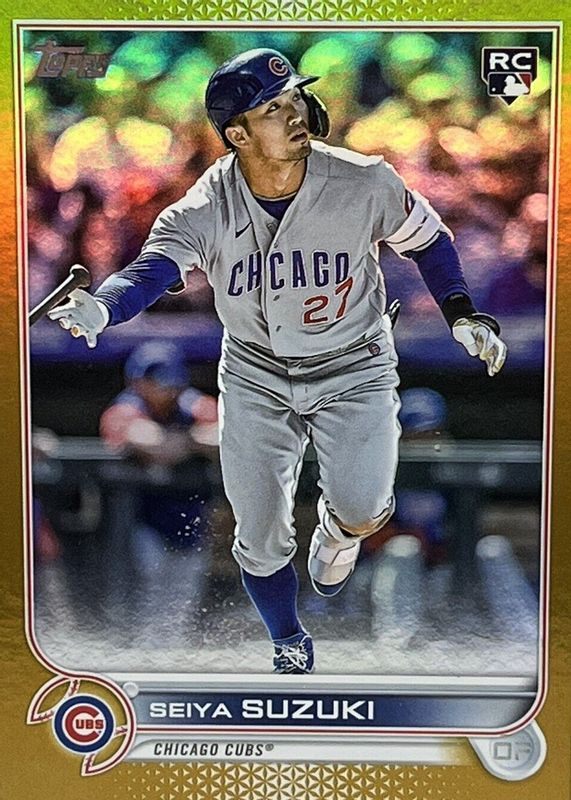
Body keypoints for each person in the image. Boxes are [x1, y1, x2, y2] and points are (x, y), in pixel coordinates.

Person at [48, 48, 507, 674]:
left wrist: (462, 313)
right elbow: (152, 269)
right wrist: (103, 307)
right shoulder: (207, 204)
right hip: (256, 372)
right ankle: (289, 639)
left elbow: (428, 240)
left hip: (354, 363)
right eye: (273, 108)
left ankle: (339, 532)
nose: (295, 114)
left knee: (365, 509)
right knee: (260, 533)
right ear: (238, 135)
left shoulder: (363, 180)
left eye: (294, 99)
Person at [99, 341, 218, 643]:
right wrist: (189, 443)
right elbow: (148, 441)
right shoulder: (126, 406)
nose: (164, 389)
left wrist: (185, 440)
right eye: (155, 381)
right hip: (141, 521)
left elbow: (226, 434)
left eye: (168, 382)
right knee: (147, 597)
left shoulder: (191, 404)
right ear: (137, 381)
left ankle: (170, 653)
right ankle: (141, 651)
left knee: (181, 603)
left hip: (190, 519)